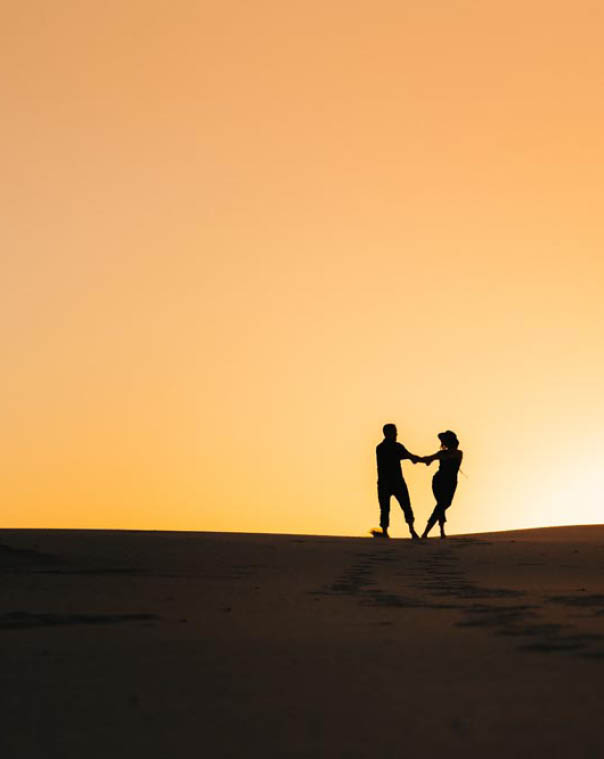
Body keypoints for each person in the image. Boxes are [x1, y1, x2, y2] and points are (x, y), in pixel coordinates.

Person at [374, 423, 421, 539]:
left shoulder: (380, 447)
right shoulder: (396, 447)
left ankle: (385, 531)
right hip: (396, 481)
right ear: (389, 433)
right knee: (405, 505)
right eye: (394, 432)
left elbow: (406, 456)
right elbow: (409, 456)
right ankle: (412, 530)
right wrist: (421, 459)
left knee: (385, 508)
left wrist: (413, 458)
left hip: (384, 482)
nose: (396, 434)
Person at [418, 430, 463, 539]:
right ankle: (431, 532)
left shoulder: (457, 453)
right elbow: (429, 459)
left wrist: (430, 459)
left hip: (451, 483)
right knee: (441, 505)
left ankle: (434, 532)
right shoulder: (443, 454)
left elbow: (433, 458)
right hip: (439, 481)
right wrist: (423, 459)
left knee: (443, 505)